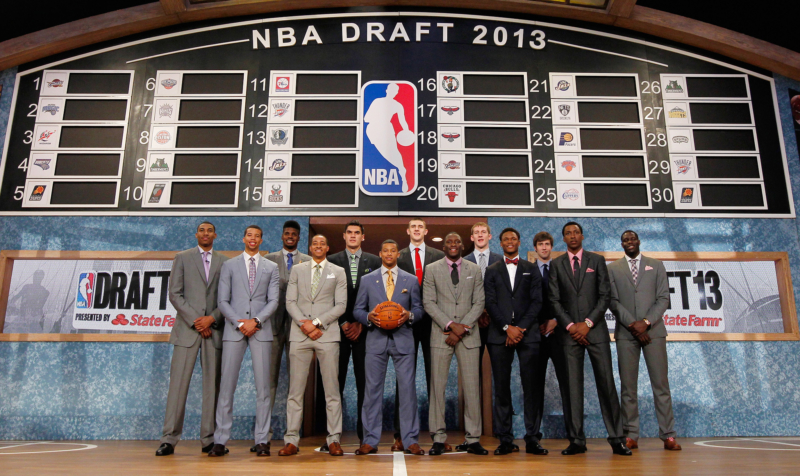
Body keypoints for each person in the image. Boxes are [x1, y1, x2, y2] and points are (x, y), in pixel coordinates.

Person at [548, 222, 630, 456]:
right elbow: (554, 300)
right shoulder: (556, 264)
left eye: (576, 232)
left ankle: (617, 439)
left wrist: (588, 324)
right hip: (569, 334)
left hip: (595, 332)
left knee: (607, 385)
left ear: (582, 236)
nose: (572, 236)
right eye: (568, 233)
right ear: (563, 238)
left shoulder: (597, 260)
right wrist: (572, 326)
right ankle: (576, 440)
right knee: (572, 389)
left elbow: (605, 296)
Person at [156, 222, 229, 456]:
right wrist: (197, 321)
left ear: (215, 235)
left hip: (213, 331)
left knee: (212, 388)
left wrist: (211, 319)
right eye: (202, 230)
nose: (206, 233)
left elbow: (228, 297)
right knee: (178, 386)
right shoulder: (182, 257)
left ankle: (209, 439)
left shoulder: (225, 261)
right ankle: (169, 439)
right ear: (196, 234)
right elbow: (174, 294)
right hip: (188, 330)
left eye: (210, 230)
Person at [208, 225, 280, 457]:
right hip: (234, 330)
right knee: (226, 386)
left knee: (263, 388)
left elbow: (273, 300)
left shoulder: (271, 267)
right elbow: (222, 301)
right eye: (249, 235)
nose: (253, 239)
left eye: (257, 236)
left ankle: (262, 440)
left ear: (261, 240)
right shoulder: (229, 265)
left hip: (261, 330)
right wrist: (240, 324)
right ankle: (220, 440)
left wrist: (256, 321)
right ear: (243, 238)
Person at [608, 230, 681, 451]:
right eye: (625, 240)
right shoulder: (613, 268)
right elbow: (613, 301)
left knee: (661, 385)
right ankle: (630, 434)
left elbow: (663, 298)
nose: (629, 242)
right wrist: (634, 325)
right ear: (621, 244)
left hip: (654, 332)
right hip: (626, 333)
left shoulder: (656, 265)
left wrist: (646, 322)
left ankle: (668, 435)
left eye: (632, 239)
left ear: (638, 241)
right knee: (628, 387)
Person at [353, 239, 425, 456]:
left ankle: (410, 439)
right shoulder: (367, 280)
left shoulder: (410, 279)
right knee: (372, 392)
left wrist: (409, 315)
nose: (389, 254)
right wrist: (368, 317)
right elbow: (357, 310)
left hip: (403, 341)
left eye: (393, 250)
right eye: (385, 250)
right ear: (380, 253)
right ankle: (369, 440)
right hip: (376, 341)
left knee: (407, 392)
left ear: (398, 254)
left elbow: (419, 309)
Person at [279, 234, 348, 457]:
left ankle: (334, 439)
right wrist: (305, 325)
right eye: (315, 243)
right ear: (310, 248)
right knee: (295, 391)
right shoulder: (297, 270)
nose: (318, 246)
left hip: (327, 335)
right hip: (300, 335)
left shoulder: (338, 271)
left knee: (332, 391)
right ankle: (291, 440)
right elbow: (290, 301)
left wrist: (316, 323)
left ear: (327, 248)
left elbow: (341, 305)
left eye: (322, 244)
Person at [423, 232, 488, 456]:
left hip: (468, 336)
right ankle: (438, 438)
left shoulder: (474, 269)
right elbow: (428, 302)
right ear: (444, 247)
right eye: (449, 241)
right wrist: (450, 325)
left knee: (472, 389)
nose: (453, 244)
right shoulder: (432, 269)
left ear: (462, 245)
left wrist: (462, 328)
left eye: (457, 242)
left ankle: (473, 438)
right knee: (437, 388)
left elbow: (479, 302)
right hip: (441, 335)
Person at [484, 228, 547, 456]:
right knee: (501, 388)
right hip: (499, 335)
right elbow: (490, 302)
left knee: (531, 388)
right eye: (506, 239)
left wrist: (520, 328)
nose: (510, 242)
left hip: (527, 335)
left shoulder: (532, 268)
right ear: (500, 244)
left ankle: (532, 438)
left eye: (513, 238)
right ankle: (505, 439)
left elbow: (537, 302)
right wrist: (506, 328)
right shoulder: (491, 270)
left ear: (519, 242)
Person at [325, 220, 382, 447]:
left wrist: (362, 322)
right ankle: (332, 437)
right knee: (334, 384)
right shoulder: (331, 260)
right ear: (344, 236)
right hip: (337, 329)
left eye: (357, 233)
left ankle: (365, 436)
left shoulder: (375, 261)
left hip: (365, 331)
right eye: (349, 232)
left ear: (362, 237)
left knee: (364, 384)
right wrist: (342, 322)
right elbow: (326, 296)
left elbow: (378, 296)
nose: (353, 236)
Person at [395, 217, 445, 451]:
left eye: (420, 227)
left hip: (434, 323)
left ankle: (438, 435)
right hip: (405, 323)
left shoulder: (439, 256)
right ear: (408, 231)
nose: (416, 230)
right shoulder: (399, 256)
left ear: (426, 231)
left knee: (436, 379)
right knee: (404, 379)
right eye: (413, 227)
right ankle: (399, 434)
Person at [264, 220, 311, 450]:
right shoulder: (268, 260)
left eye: (294, 234)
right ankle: (264, 435)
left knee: (296, 384)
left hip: (298, 327)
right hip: (272, 326)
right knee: (268, 382)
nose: (290, 236)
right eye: (287, 233)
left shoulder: (308, 261)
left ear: (299, 237)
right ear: (282, 236)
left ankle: (292, 435)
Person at [529, 231, 573, 445]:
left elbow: (569, 299)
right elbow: (524, 301)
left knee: (567, 385)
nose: (544, 248)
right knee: (534, 386)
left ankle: (573, 434)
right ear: (535, 248)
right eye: (540, 244)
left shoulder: (561, 268)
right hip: (536, 335)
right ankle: (534, 435)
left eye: (547, 244)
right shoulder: (528, 270)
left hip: (559, 334)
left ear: (551, 247)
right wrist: (535, 324)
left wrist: (556, 320)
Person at [364, 82, 412, 192]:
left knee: (394, 153)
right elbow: (366, 118)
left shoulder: (397, 105)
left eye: (395, 91)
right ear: (387, 90)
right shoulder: (377, 101)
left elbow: (402, 121)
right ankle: (400, 169)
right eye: (391, 90)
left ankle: (402, 174)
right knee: (376, 153)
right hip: (373, 130)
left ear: (396, 93)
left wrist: (406, 131)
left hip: (387, 130)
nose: (393, 92)